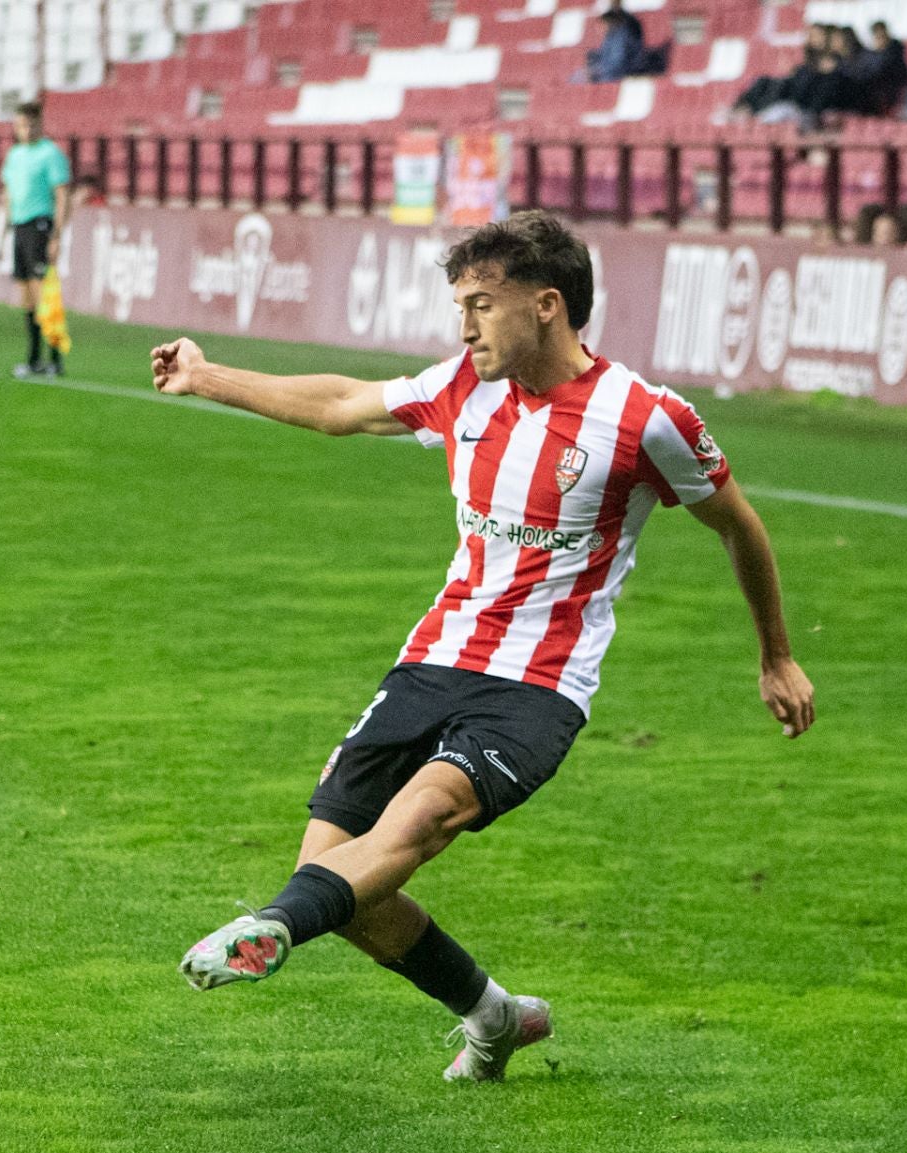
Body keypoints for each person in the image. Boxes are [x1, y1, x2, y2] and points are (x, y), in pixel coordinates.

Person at [150, 212, 816, 1084]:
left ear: (546, 305)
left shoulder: (646, 418)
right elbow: (343, 406)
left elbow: (739, 527)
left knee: (414, 823)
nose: (464, 324)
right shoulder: (464, 385)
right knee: (344, 885)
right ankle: (494, 1015)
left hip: (537, 686)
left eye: (480, 304)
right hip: (433, 660)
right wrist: (206, 377)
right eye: (459, 304)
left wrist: (776, 654)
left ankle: (271, 926)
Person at [0, 101, 71, 379]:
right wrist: (6, 228)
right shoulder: (14, 155)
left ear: (40, 124)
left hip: (40, 226)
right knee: (27, 298)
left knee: (44, 294)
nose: (25, 131)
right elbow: (8, 193)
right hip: (19, 227)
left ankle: (54, 358)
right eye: (20, 126)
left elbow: (62, 196)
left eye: (29, 125)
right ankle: (33, 359)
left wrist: (56, 236)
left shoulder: (50, 154)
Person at [585, 0, 648, 84]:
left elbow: (618, 62)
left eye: (606, 18)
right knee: (578, 76)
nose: (602, 24)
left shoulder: (624, 31)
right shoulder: (612, 33)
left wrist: (597, 71)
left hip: (622, 73)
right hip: (612, 70)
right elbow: (605, 55)